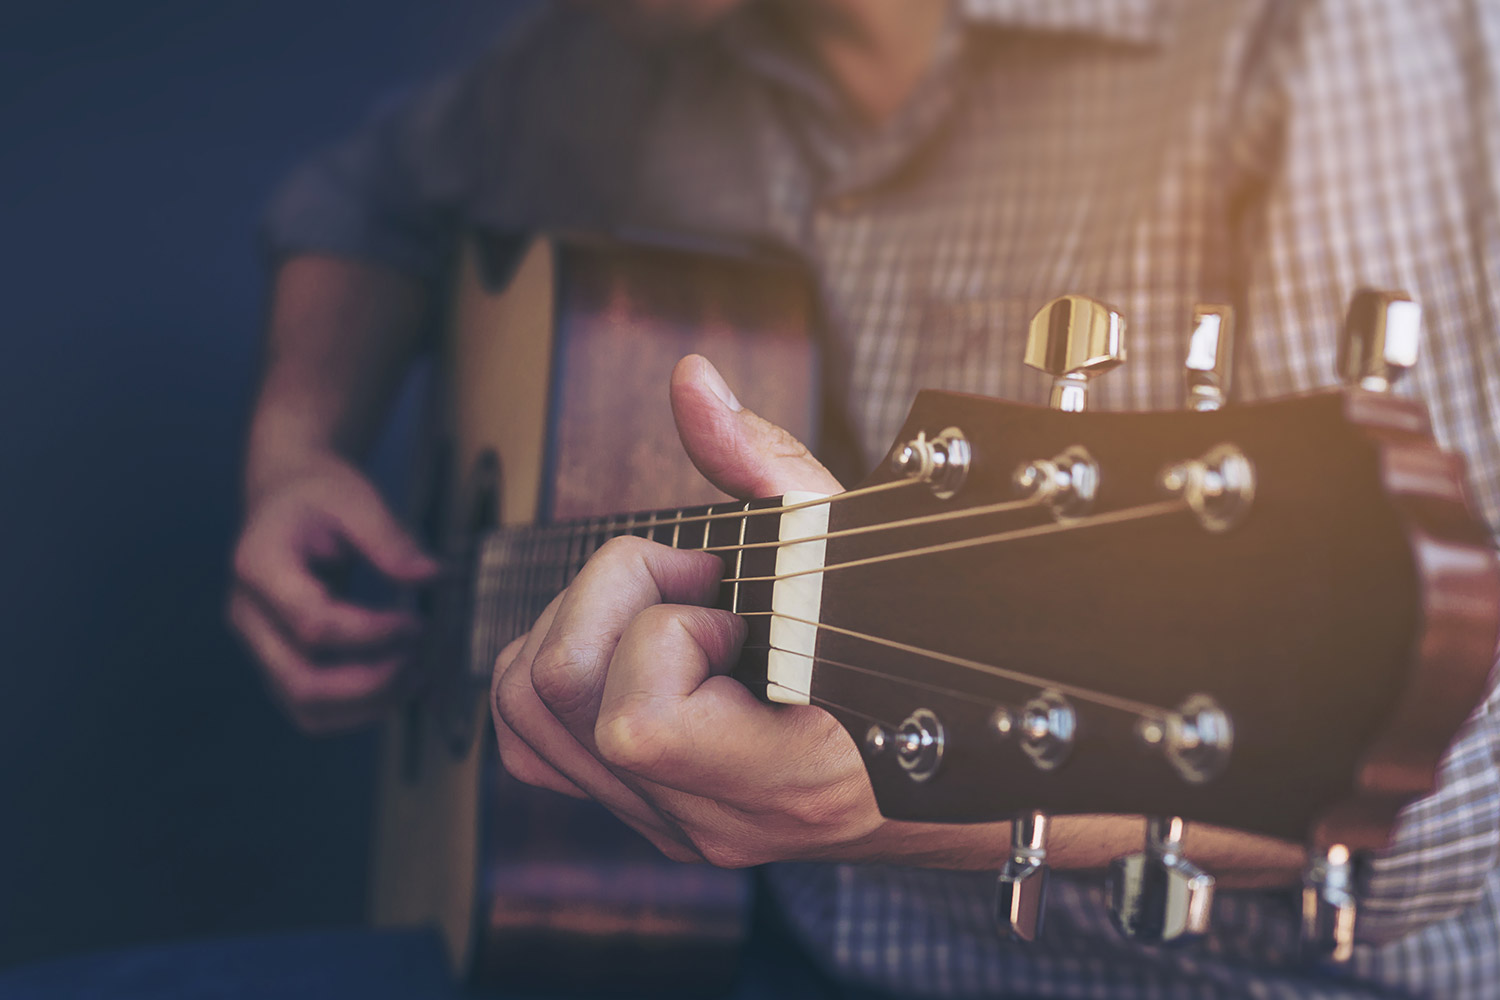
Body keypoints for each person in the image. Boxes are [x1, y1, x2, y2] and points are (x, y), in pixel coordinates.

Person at [231, 1, 1500, 997]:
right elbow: (368, 199)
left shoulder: (1324, 44)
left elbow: (1464, 749)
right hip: (714, 943)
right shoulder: (612, 59)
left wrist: (903, 805)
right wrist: (297, 451)